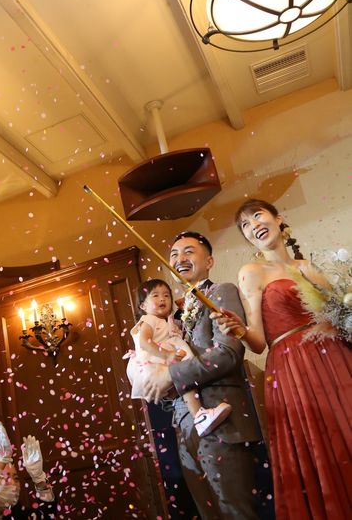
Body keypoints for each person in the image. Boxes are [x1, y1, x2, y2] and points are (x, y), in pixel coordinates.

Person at [211, 199, 352, 519]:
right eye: (245, 225)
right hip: (295, 368)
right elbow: (258, 343)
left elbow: (337, 315)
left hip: (337, 359)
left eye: (257, 216)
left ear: (278, 218)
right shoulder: (252, 272)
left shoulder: (309, 267)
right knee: (323, 445)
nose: (253, 226)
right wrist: (239, 330)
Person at [143, 231, 261, 519]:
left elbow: (228, 353)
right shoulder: (173, 315)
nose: (179, 259)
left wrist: (171, 374)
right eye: (174, 254)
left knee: (236, 511)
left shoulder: (222, 291)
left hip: (223, 419)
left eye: (188, 251)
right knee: (208, 512)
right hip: (184, 427)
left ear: (209, 261)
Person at [127, 278, 232, 437]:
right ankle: (199, 415)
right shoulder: (148, 319)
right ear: (143, 306)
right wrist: (167, 355)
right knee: (183, 376)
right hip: (155, 362)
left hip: (161, 363)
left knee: (184, 381)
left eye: (166, 295)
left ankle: (199, 416)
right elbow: (144, 342)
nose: (162, 299)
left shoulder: (165, 321)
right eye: (155, 295)